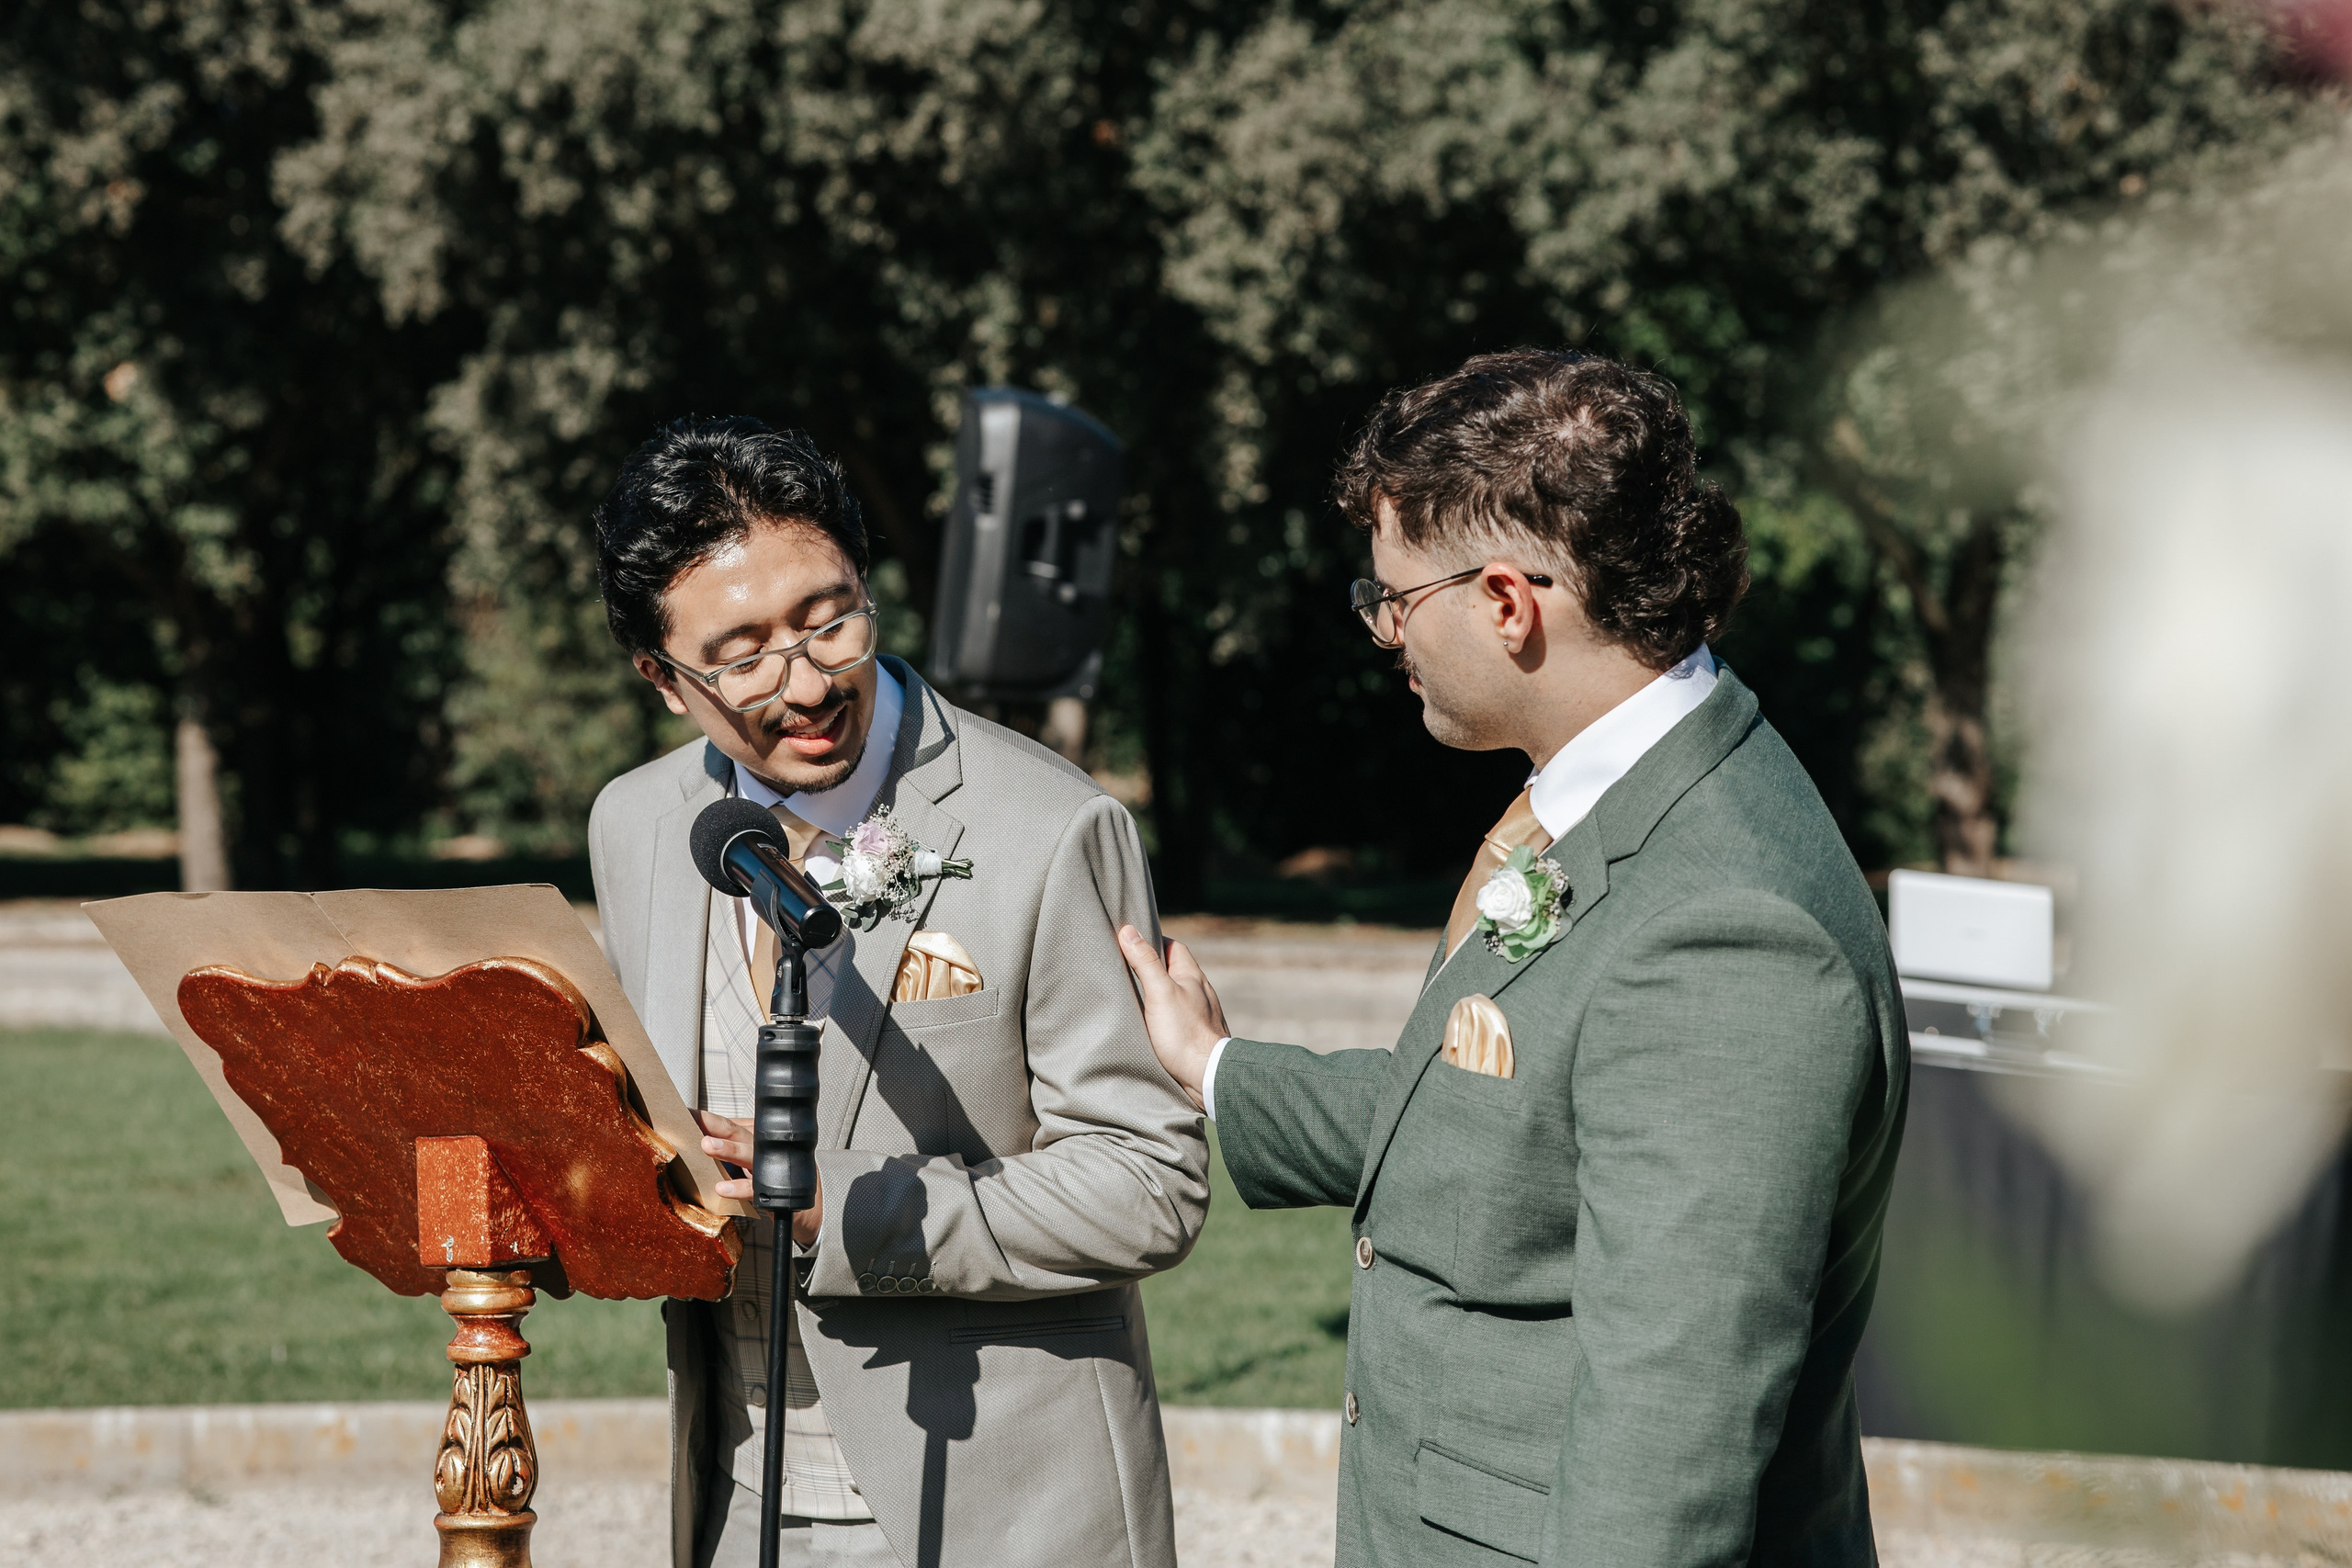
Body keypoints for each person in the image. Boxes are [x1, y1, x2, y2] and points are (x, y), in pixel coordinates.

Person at [1119, 350, 1908, 1566]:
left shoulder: (1728, 927)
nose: (1385, 631)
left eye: (1393, 596)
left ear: (1505, 602)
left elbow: (1668, 1437)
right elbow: (1505, 1119)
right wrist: (1216, 1066)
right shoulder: (1618, 798)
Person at [586, 416, 1208, 1568]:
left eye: (831, 620)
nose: (808, 682)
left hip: (1003, 1507)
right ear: (662, 679)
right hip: (733, 1491)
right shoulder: (634, 823)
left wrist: (854, 1211)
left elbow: (1149, 1183)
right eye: (742, 656)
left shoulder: (1048, 825)